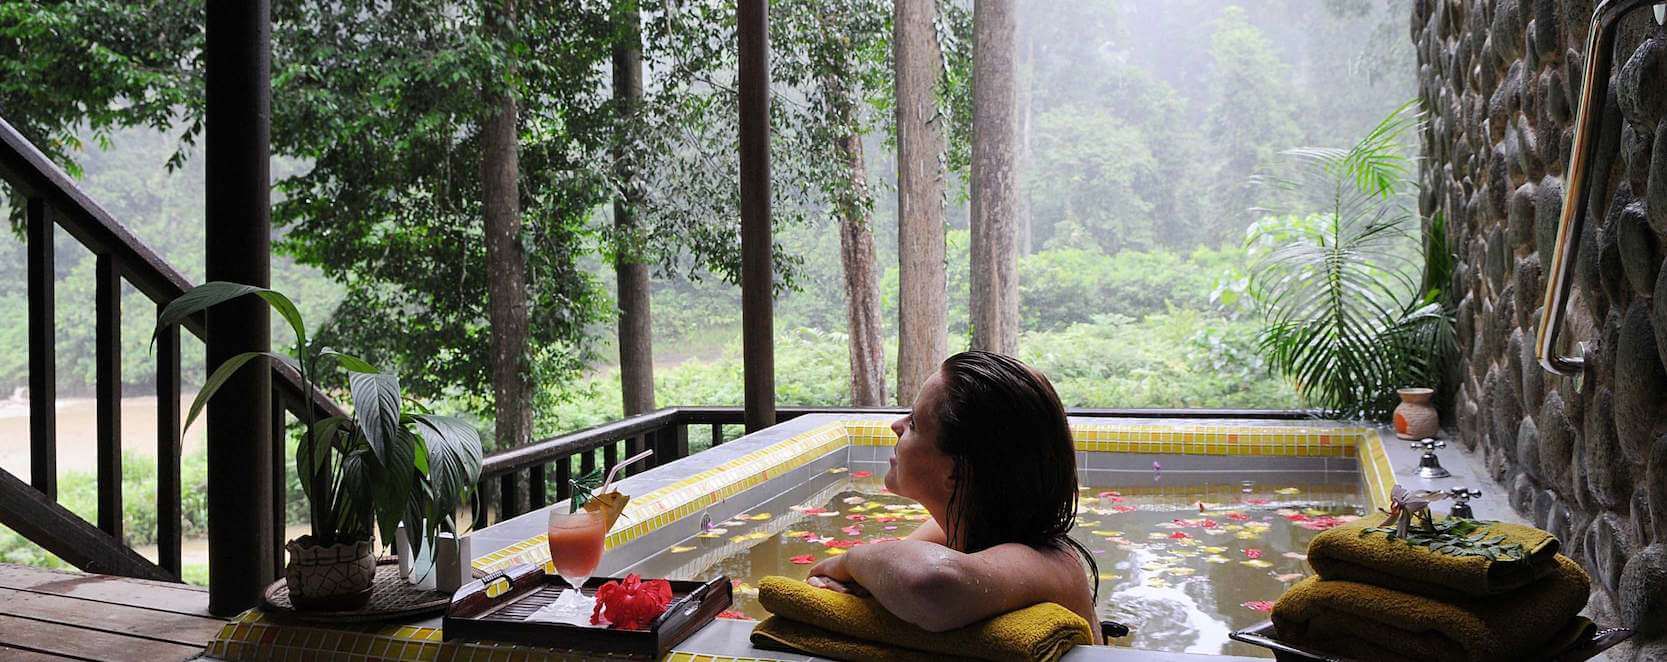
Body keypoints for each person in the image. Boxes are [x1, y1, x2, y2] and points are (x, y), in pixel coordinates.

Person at [806, 351, 1100, 636]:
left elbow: (930, 584)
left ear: (956, 472)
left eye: (915, 422)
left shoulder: (1047, 563)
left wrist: (847, 561)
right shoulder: (957, 524)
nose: (896, 426)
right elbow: (886, 577)